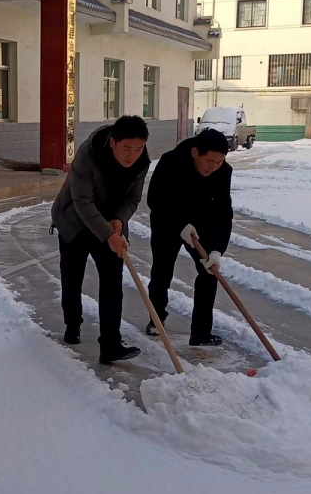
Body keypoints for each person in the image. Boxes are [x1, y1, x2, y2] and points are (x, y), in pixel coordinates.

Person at [51, 115, 151, 364]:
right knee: (72, 276)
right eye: (127, 149)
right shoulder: (88, 155)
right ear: (113, 142)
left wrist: (118, 219)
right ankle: (72, 323)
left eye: (138, 149)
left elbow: (133, 198)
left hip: (109, 222)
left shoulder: (141, 161)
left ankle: (110, 344)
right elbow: (82, 201)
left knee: (112, 281)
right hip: (74, 220)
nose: (132, 155)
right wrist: (108, 234)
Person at [145, 127, 233, 347]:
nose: (214, 168)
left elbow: (223, 210)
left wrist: (217, 249)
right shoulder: (171, 162)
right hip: (168, 221)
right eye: (209, 161)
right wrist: (180, 225)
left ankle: (201, 332)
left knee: (209, 272)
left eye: (219, 162)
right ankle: (156, 319)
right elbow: (156, 199)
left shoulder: (223, 171)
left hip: (201, 225)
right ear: (195, 152)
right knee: (162, 272)